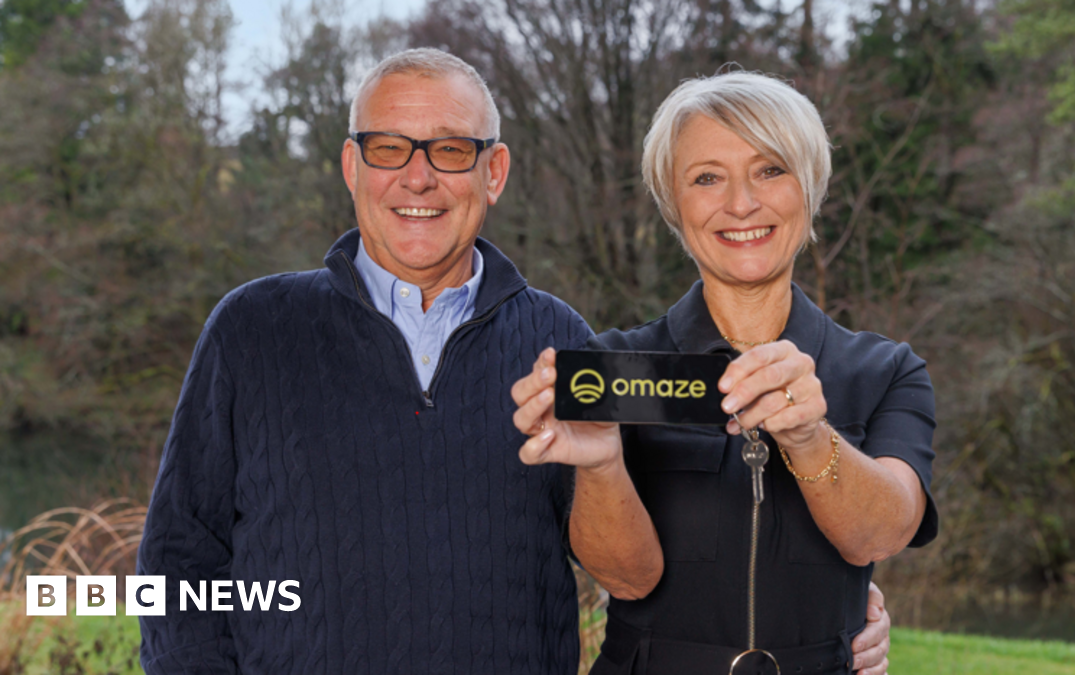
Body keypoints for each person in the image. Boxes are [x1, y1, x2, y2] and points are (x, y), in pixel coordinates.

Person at [136, 49, 893, 674]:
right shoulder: (254, 328)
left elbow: (638, 574)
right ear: (352, 166)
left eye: (452, 150)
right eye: (389, 148)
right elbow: (178, 560)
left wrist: (829, 613)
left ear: (493, 173)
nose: (418, 176)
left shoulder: (562, 345)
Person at [512, 71, 936, 675]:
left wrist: (810, 438)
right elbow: (625, 579)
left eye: (770, 170)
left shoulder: (887, 369)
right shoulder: (613, 368)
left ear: (810, 187)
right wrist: (601, 463)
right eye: (707, 178)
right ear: (673, 204)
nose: (741, 203)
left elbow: (881, 534)